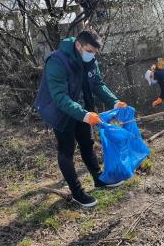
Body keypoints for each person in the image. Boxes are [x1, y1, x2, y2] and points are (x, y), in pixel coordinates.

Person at [35, 30, 127, 208]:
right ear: (78, 45)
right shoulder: (57, 61)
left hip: (83, 109)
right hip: (60, 111)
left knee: (87, 143)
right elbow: (60, 97)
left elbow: (98, 84)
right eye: (89, 51)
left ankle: (99, 179)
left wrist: (115, 102)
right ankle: (77, 193)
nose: (92, 55)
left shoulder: (90, 60)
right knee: (66, 150)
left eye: (95, 53)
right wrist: (85, 115)